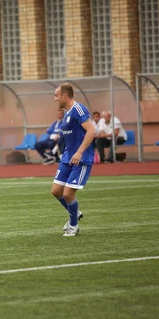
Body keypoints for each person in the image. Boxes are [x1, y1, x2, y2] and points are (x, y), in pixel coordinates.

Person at [51, 83, 97, 237]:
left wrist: (79, 152)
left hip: (81, 159)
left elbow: (92, 131)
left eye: (56, 95)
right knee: (56, 191)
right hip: (67, 159)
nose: (55, 99)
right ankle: (75, 212)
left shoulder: (79, 109)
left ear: (64, 96)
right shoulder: (66, 113)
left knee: (68, 193)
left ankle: (73, 225)